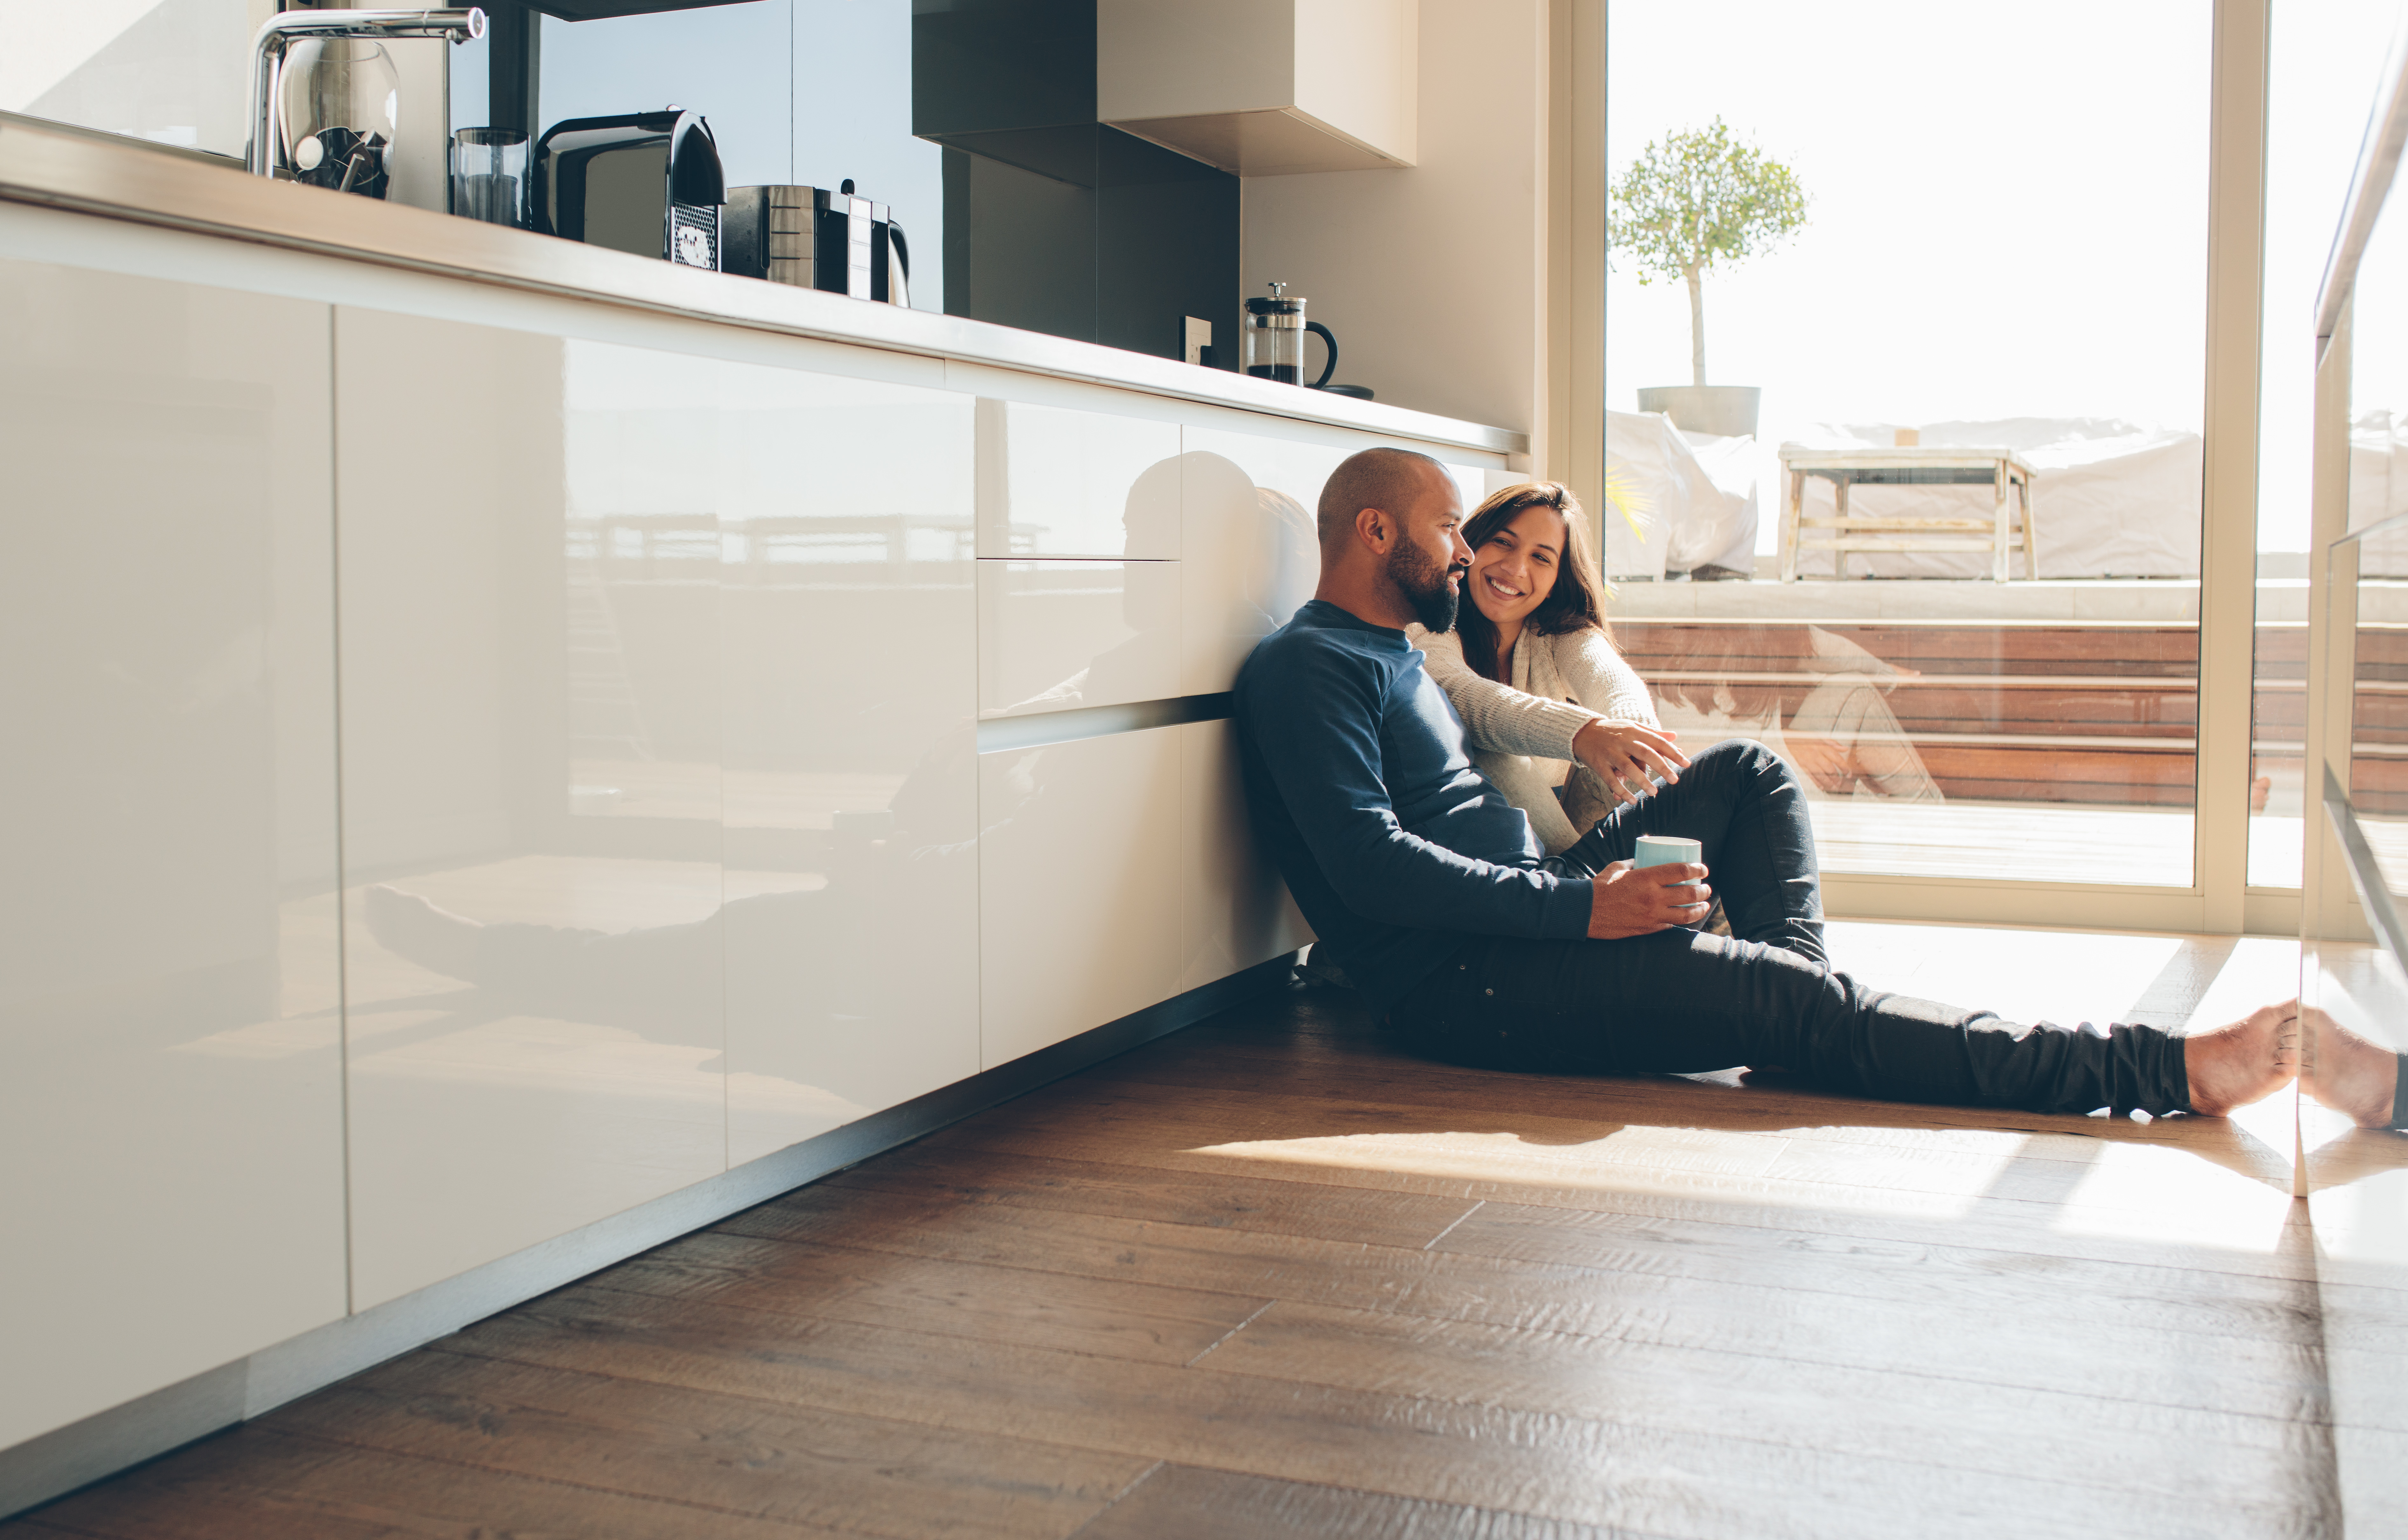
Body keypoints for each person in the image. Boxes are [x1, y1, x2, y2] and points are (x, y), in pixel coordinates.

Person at [1234, 445, 2297, 1117]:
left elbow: (1509, 727)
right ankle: (2158, 1074)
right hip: (1469, 985)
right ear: (1376, 533)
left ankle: (1792, 1019)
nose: (1465, 556)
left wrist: (1581, 888)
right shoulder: (1304, 667)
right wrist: (1583, 911)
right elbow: (1369, 870)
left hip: (1532, 919)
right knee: (1786, 1000)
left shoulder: (1401, 657)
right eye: (1447, 531)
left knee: (1749, 772)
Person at [1409, 482, 1673, 856]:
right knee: (1493, 750)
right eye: (1503, 542)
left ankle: (1629, 887)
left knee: (1748, 766)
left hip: (1565, 823)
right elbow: (1460, 694)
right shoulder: (1430, 625)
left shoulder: (1559, 633)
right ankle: (1591, 889)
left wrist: (1634, 737)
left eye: (1541, 558)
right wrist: (1584, 733)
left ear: (1554, 582)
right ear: (1471, 546)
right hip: (1475, 842)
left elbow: (1612, 681)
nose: (1516, 568)